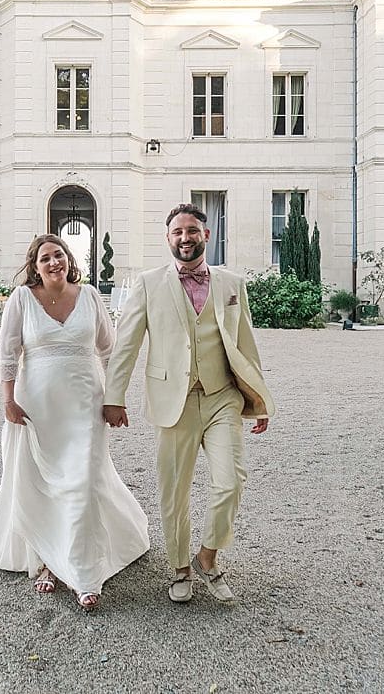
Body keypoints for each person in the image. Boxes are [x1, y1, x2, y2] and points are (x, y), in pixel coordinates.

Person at [103, 204, 275, 604]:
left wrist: (259, 399)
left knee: (231, 481)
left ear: (206, 235)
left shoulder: (232, 283)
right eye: (178, 232)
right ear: (168, 238)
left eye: (192, 231)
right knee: (174, 491)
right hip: (172, 401)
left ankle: (207, 558)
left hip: (222, 398)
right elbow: (126, 345)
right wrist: (115, 397)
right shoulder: (148, 284)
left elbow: (245, 343)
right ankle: (179, 568)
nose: (185, 238)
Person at [0, 234, 149, 611]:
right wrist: (8, 401)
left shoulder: (90, 296)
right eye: (45, 258)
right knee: (44, 482)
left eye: (59, 255)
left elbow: (111, 350)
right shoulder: (22, 300)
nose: (54, 262)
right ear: (35, 266)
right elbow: (7, 353)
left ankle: (82, 572)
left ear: (68, 258)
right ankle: (46, 560)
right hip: (38, 407)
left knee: (82, 481)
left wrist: (116, 397)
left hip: (85, 404)